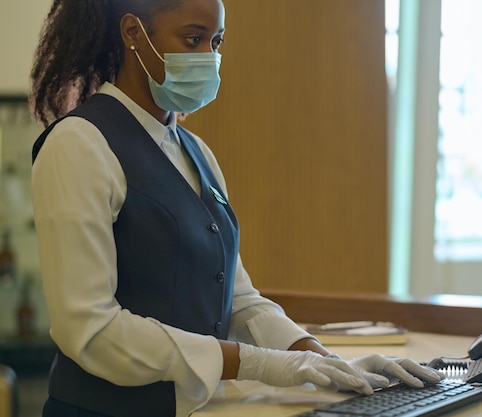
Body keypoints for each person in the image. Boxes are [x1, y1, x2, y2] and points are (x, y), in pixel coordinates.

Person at [29, 1, 445, 416]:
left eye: (217, 42)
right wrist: (259, 363)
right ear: (133, 33)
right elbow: (91, 329)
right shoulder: (78, 145)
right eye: (193, 39)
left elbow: (240, 300)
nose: (209, 58)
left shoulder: (196, 153)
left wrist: (324, 360)